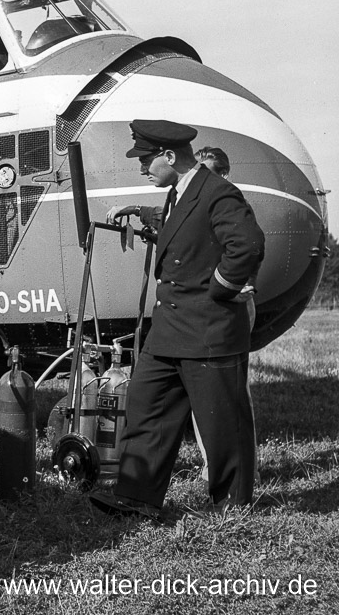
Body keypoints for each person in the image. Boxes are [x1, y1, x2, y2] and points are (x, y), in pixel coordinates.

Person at [91, 120, 264, 520]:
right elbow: (182, 231)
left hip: (209, 329)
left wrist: (219, 289)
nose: (141, 168)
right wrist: (139, 215)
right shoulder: (178, 193)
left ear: (170, 157)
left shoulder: (219, 193)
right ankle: (137, 495)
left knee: (222, 425)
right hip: (170, 328)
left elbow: (248, 245)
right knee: (146, 404)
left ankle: (232, 509)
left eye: (146, 159)